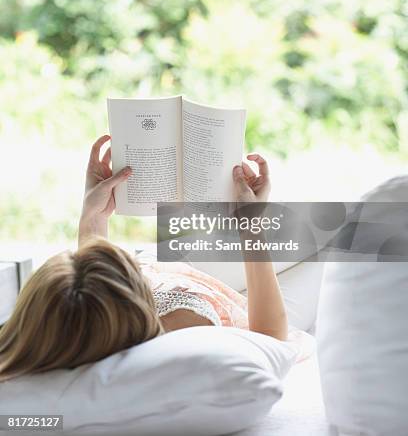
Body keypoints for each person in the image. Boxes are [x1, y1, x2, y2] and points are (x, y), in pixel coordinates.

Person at [0, 135, 288, 383]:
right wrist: (251, 227)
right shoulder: (181, 329)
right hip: (216, 289)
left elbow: (87, 290)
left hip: (166, 270)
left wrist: (93, 215)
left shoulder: (61, 323)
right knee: (322, 241)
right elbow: (271, 341)